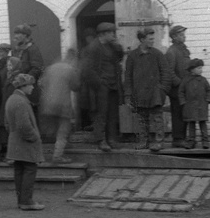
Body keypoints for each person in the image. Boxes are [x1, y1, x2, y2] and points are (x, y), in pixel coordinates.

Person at [81, 22, 125, 152]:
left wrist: (118, 47)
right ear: (104, 34)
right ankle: (101, 140)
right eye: (111, 32)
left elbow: (119, 58)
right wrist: (99, 84)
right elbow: (87, 70)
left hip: (113, 84)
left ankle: (111, 139)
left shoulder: (111, 46)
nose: (113, 35)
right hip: (102, 86)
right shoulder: (93, 47)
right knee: (102, 113)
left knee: (112, 113)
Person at [123, 28, 168, 151]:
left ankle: (159, 141)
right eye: (150, 39)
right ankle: (144, 141)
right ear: (142, 39)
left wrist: (162, 90)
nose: (153, 41)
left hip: (155, 93)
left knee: (157, 118)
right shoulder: (132, 56)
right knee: (142, 119)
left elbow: (165, 73)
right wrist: (128, 95)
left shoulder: (157, 54)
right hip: (139, 93)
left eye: (153, 39)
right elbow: (128, 77)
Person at [4, 74, 44, 210]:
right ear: (23, 86)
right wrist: (34, 137)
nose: (32, 87)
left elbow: (7, 124)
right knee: (29, 169)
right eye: (30, 84)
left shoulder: (11, 99)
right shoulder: (21, 101)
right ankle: (27, 201)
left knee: (19, 170)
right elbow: (24, 125)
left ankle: (22, 201)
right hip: (25, 143)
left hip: (15, 142)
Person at [38, 49, 80, 163]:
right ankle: (57, 156)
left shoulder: (50, 68)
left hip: (48, 104)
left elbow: (41, 83)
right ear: (73, 59)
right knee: (63, 129)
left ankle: (63, 147)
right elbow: (76, 86)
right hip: (62, 105)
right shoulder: (70, 69)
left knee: (55, 129)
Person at [163, 25, 191, 147]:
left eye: (184, 34)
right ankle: (178, 139)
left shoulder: (183, 50)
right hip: (177, 89)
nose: (183, 36)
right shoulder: (172, 51)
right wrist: (180, 83)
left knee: (184, 113)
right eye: (181, 35)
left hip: (184, 88)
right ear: (174, 37)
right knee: (178, 113)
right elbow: (169, 72)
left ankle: (183, 138)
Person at [181, 59, 210, 149]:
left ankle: (205, 141)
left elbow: (208, 90)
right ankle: (191, 141)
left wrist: (208, 100)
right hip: (190, 106)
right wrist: (183, 102)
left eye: (201, 68)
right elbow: (181, 92)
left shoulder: (203, 80)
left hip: (201, 106)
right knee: (191, 124)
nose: (201, 70)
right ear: (192, 70)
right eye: (199, 68)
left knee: (203, 123)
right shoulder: (186, 81)